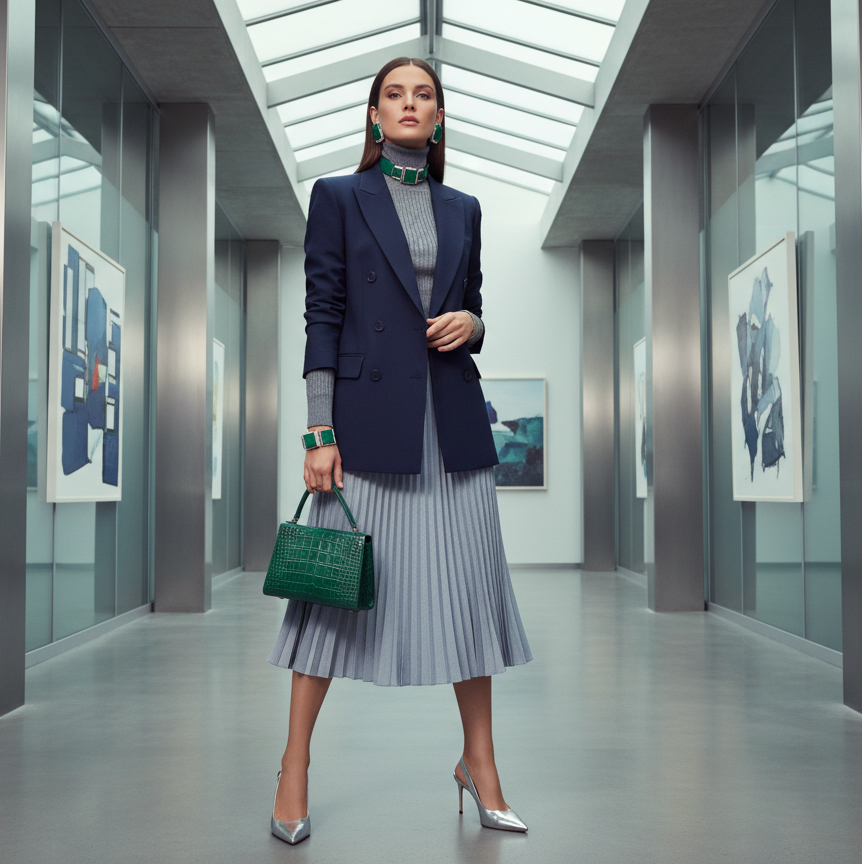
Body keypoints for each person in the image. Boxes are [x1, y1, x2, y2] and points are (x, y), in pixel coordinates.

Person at [266, 57, 532, 845]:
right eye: (395, 95)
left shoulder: (465, 207)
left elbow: (473, 303)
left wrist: (472, 326)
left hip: (449, 422)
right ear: (375, 116)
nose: (410, 105)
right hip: (367, 422)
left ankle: (479, 764)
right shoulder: (339, 197)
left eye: (424, 95)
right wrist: (319, 431)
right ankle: (293, 767)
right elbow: (323, 311)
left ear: (440, 115)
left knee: (469, 598)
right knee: (328, 599)